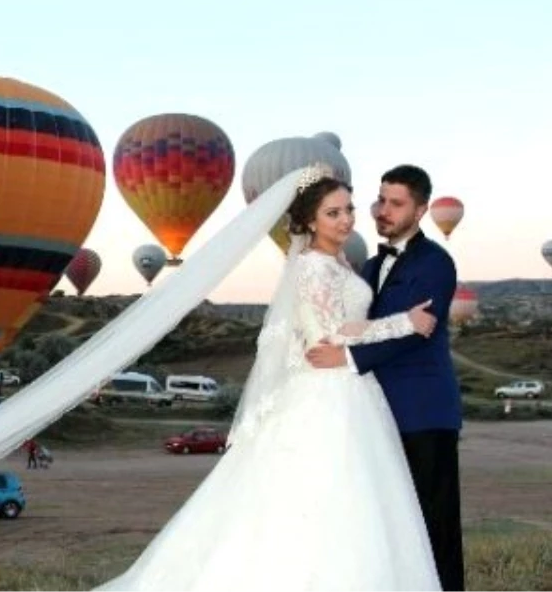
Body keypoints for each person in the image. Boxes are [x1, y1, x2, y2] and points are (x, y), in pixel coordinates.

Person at [95, 164, 443, 591]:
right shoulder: (312, 266)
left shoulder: (346, 264)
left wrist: (360, 331)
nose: (348, 219)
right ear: (310, 220)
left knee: (355, 504)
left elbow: (347, 328)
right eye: (333, 213)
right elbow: (328, 336)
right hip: (327, 395)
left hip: (353, 393)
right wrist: (404, 322)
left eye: (349, 208)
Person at [306, 164, 465, 592]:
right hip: (372, 415)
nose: (383, 211)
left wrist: (348, 357)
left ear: (421, 209)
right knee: (390, 527)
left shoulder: (436, 263)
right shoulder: (370, 266)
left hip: (423, 412)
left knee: (435, 524)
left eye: (396, 204)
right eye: (381, 201)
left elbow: (416, 331)